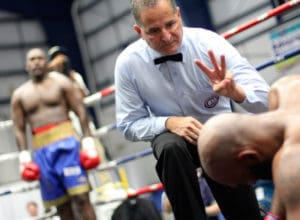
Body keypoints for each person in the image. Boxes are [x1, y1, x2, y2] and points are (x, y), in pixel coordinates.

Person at [114, 0, 270, 219]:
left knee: (244, 209)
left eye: (170, 24)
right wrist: (168, 122)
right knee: (169, 147)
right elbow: (128, 124)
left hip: (218, 134)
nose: (167, 36)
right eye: (154, 31)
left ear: (179, 15)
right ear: (139, 31)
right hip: (173, 141)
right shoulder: (128, 63)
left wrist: (236, 92)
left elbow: (265, 100)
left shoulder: (208, 42)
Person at [10, 48, 100, 220]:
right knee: (62, 205)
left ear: (46, 62)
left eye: (39, 58)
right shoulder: (19, 95)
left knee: (82, 197)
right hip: (41, 151)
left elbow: (81, 111)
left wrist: (88, 141)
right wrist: (24, 157)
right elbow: (19, 128)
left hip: (67, 145)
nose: (36, 62)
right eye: (32, 59)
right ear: (26, 65)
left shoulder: (62, 83)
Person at [198, 74, 300, 219]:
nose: (253, 182)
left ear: (249, 156)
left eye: (246, 177)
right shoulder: (285, 89)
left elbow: (289, 173)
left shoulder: (292, 164)